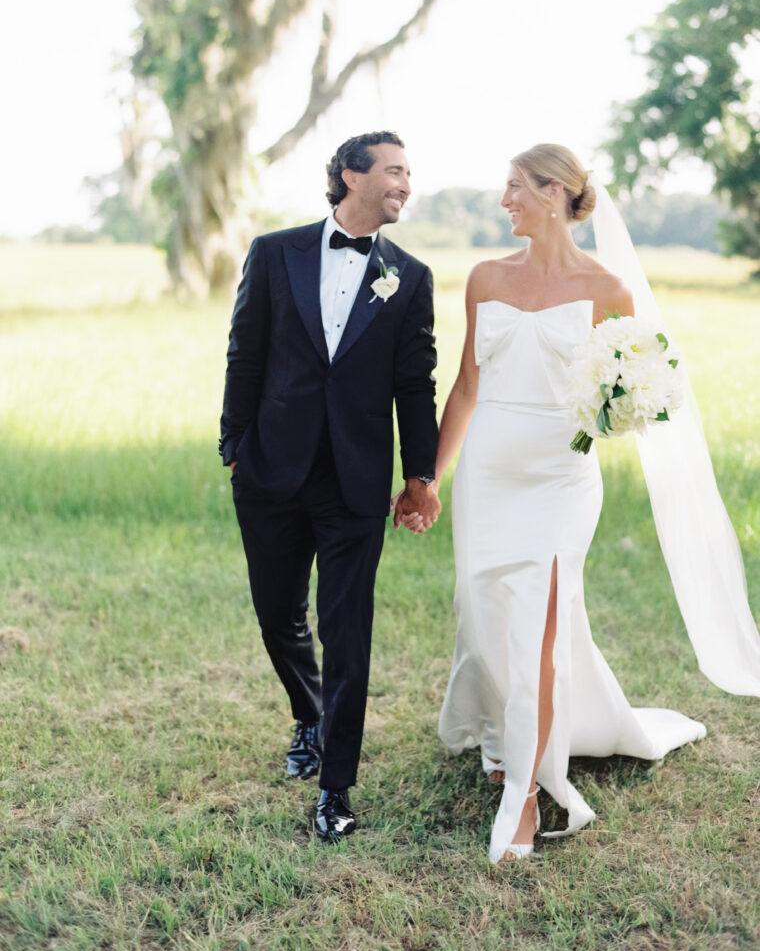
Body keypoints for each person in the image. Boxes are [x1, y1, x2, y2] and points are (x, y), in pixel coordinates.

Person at [428, 143, 760, 864]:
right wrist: (428, 475)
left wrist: (616, 409)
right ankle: (500, 734)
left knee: (539, 634)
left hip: (560, 481)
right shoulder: (484, 277)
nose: (505, 201)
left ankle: (527, 793)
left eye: (514, 187)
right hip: (486, 476)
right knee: (484, 616)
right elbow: (464, 387)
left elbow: (639, 387)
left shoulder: (609, 289)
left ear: (553, 193)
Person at [219, 130, 441, 842]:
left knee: (348, 634)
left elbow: (416, 385)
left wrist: (421, 476)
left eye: (409, 172)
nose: (406, 183)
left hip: (356, 482)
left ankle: (336, 789)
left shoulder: (410, 276)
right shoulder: (274, 252)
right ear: (350, 174)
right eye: (395, 170)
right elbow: (244, 352)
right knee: (278, 615)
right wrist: (234, 447)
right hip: (271, 472)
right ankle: (308, 717)